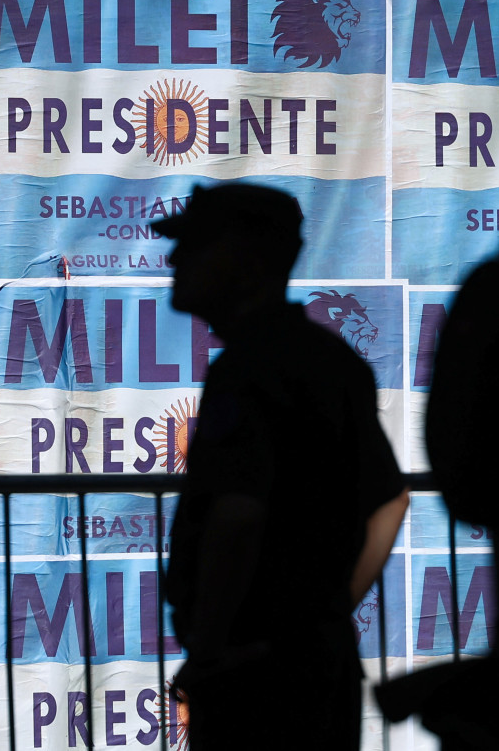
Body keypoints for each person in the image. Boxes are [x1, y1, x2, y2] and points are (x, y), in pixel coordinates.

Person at [155, 183, 409, 750]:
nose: (175, 261)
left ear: (242, 262)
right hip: (319, 666)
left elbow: (239, 514)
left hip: (255, 681)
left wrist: (213, 651)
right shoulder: (332, 362)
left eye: (193, 245)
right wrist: (324, 613)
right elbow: (390, 504)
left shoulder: (247, 371)